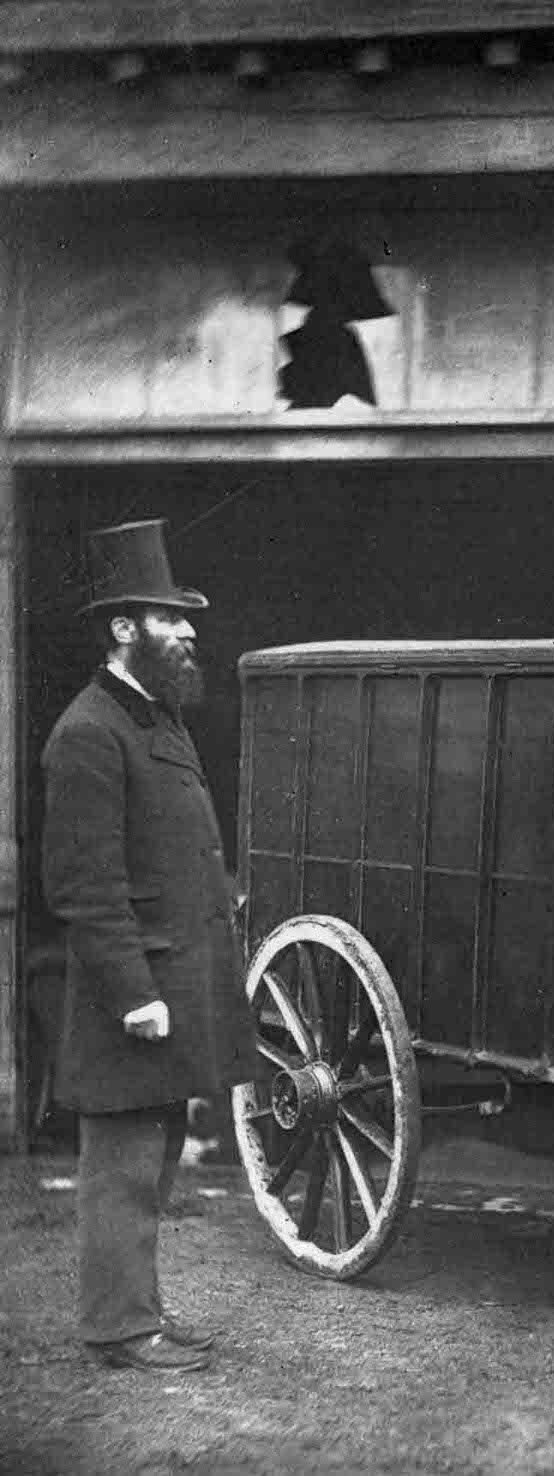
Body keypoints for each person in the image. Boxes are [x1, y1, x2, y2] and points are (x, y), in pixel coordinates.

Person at [41, 518, 256, 1373]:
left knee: (155, 1162)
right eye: (170, 617)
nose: (189, 629)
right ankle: (120, 1330)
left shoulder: (156, 721)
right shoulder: (88, 733)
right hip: (132, 996)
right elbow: (83, 889)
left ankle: (141, 1315)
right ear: (124, 628)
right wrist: (135, 994)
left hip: (175, 982)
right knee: (122, 1171)